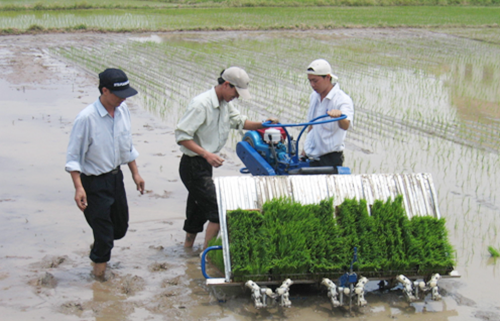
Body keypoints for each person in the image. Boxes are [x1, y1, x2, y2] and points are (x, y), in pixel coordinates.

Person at [175, 67, 277, 249]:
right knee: (217, 210)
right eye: (236, 92)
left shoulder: (224, 104)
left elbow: (240, 122)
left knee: (197, 207)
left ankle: (187, 249)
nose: (236, 97)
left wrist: (263, 124)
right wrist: (206, 154)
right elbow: (182, 136)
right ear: (226, 85)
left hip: (204, 165)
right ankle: (208, 255)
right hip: (193, 165)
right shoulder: (202, 104)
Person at [65, 68, 145, 279]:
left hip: (115, 178)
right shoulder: (86, 119)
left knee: (119, 229)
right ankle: (99, 280)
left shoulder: (122, 111)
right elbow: (73, 158)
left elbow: (126, 145)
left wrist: (135, 173)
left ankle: (100, 244)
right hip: (93, 183)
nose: (123, 99)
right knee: (105, 236)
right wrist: (78, 187)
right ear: (104, 91)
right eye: (119, 95)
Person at [303, 58, 354, 169]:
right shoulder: (314, 96)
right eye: (310, 81)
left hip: (330, 159)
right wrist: (305, 150)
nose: (312, 85)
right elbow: (312, 125)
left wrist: (340, 116)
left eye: (315, 81)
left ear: (327, 77)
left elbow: (345, 125)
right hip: (312, 156)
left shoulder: (342, 100)